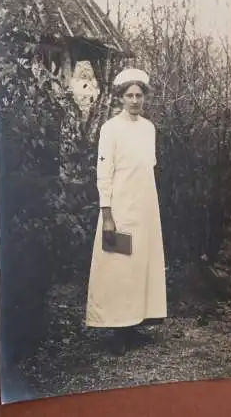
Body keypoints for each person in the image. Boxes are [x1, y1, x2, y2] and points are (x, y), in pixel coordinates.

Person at [85, 68, 167, 355]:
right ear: (120, 97)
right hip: (118, 208)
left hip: (144, 208)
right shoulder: (110, 129)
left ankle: (133, 326)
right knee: (117, 266)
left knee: (139, 264)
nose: (135, 100)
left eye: (139, 95)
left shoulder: (148, 128)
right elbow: (104, 173)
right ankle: (116, 331)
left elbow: (148, 169)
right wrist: (107, 214)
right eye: (129, 95)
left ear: (145, 98)